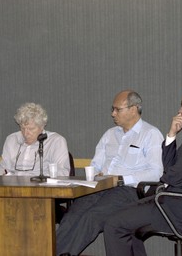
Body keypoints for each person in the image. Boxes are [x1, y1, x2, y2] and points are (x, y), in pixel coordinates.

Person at [103, 87, 182, 256]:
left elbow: (170, 175)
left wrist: (167, 176)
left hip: (181, 211)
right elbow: (170, 168)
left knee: (114, 224)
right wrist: (171, 135)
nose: (179, 110)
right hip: (176, 202)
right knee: (125, 221)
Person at [56, 90, 164, 256]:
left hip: (128, 190)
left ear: (133, 109)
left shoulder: (151, 134)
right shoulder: (109, 134)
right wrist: (96, 174)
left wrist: (121, 179)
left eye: (117, 109)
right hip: (100, 186)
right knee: (72, 216)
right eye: (112, 109)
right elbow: (96, 164)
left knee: (91, 218)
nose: (113, 114)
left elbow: (156, 172)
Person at [0, 102, 70, 177]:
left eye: (31, 129)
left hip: (42, 186)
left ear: (42, 126)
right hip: (13, 186)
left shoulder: (56, 141)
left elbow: (63, 172)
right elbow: (2, 169)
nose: (26, 133)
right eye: (22, 128)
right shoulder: (11, 140)